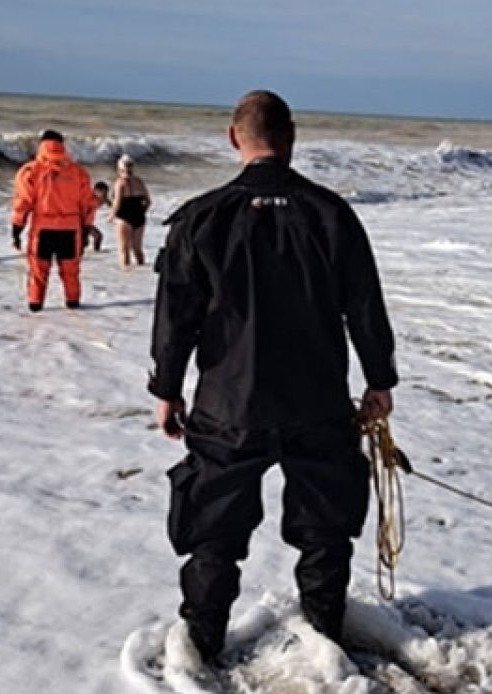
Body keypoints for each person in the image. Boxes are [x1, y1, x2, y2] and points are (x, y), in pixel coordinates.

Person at [149, 89, 399, 665]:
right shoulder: (331, 213)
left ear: (234, 138)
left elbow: (175, 317)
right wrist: (379, 381)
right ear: (291, 138)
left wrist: (167, 389)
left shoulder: (201, 218)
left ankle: (202, 643)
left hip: (228, 405)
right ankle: (324, 633)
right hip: (317, 401)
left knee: (214, 530)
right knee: (325, 528)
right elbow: (365, 307)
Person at [11, 130, 96, 311]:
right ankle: (73, 303)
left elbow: (23, 202)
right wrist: (87, 228)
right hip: (71, 230)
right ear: (62, 145)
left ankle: (36, 306)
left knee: (38, 272)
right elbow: (88, 205)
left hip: (43, 230)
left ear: (41, 145)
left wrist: (17, 228)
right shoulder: (79, 173)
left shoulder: (30, 171)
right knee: (71, 272)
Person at [110, 154, 151, 267]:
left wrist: (111, 216)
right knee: (137, 249)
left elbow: (117, 202)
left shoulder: (120, 183)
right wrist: (142, 212)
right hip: (139, 216)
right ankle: (141, 269)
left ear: (119, 169)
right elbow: (148, 201)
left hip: (124, 216)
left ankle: (127, 276)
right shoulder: (139, 182)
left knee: (124, 249)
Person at [86, 181, 111, 252]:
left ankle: (96, 253)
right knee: (97, 237)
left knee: (98, 237)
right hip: (80, 222)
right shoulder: (88, 199)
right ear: (95, 191)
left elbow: (112, 206)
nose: (105, 195)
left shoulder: (104, 199)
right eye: (103, 193)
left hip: (87, 223)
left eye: (106, 193)